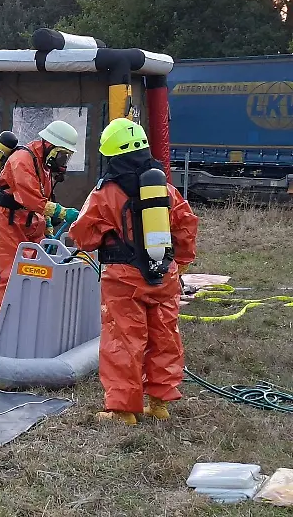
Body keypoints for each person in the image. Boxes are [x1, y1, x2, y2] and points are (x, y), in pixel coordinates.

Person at [69, 117, 198, 426]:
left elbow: (83, 236)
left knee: (124, 340)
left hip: (124, 279)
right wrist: (178, 263)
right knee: (164, 336)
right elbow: (186, 226)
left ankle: (123, 410)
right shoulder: (165, 189)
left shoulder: (105, 194)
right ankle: (159, 403)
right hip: (163, 276)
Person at [0, 120, 80, 315]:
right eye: (62, 156)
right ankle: (5, 324)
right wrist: (64, 212)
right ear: (50, 146)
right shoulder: (22, 160)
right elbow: (31, 200)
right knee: (10, 276)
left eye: (66, 157)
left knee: (37, 270)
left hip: (26, 221)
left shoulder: (43, 165)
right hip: (3, 221)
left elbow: (43, 200)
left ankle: (27, 318)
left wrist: (48, 232)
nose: (63, 162)